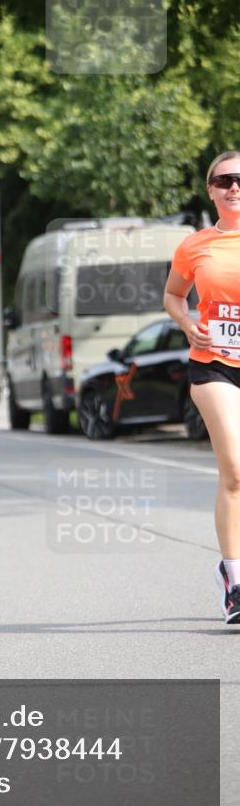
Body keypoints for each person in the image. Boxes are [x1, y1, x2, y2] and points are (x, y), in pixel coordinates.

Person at [164, 149, 240, 624]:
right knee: (235, 470)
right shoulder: (195, 245)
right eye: (225, 180)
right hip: (215, 365)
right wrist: (188, 322)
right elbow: (173, 295)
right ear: (210, 189)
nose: (235, 187)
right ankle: (234, 579)